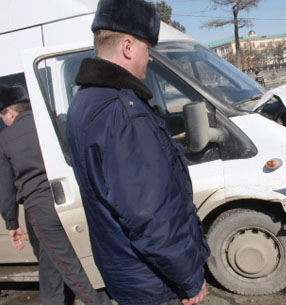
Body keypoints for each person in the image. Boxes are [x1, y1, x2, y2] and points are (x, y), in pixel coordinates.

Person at [65, 1, 210, 305]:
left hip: (128, 277)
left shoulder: (84, 102)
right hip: (154, 285)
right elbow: (152, 217)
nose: (150, 58)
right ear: (128, 46)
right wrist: (190, 278)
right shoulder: (122, 111)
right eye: (147, 48)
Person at [0, 85, 112, 305]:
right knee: (50, 256)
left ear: (10, 112)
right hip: (73, 197)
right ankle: (53, 301)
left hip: (40, 208)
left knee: (70, 267)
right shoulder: (54, 123)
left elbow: (5, 187)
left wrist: (11, 223)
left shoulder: (4, 139)